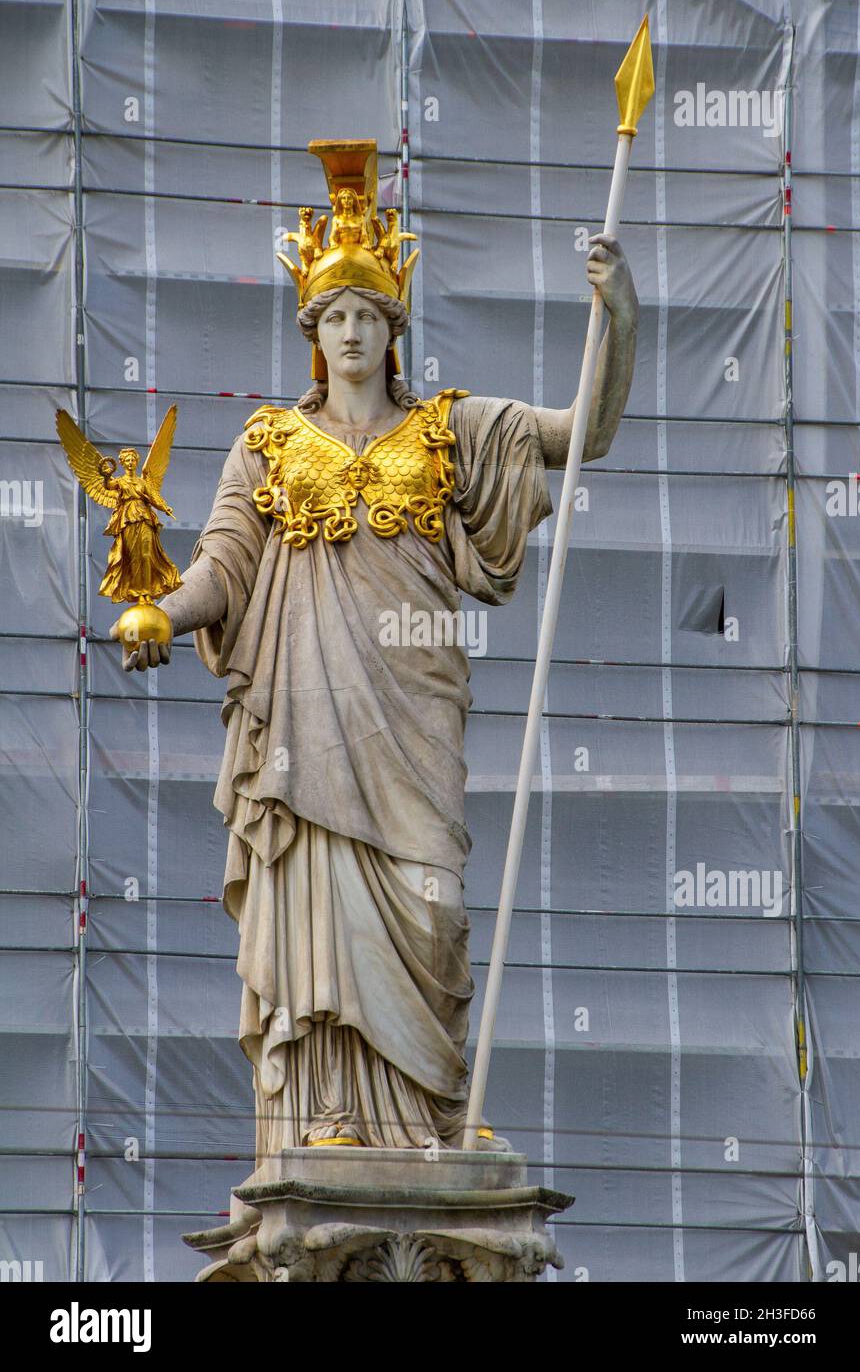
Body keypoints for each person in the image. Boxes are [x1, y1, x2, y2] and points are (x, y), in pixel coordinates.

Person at [111, 140, 638, 1158]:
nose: (350, 332)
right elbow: (224, 569)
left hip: (412, 716)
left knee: (428, 906)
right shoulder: (266, 443)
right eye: (333, 318)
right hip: (304, 732)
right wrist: (159, 617)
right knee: (319, 907)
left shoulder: (447, 432)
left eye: (367, 316)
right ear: (313, 334)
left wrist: (617, 316)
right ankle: (327, 1118)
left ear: (393, 330)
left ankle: (434, 1117)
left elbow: (583, 433)